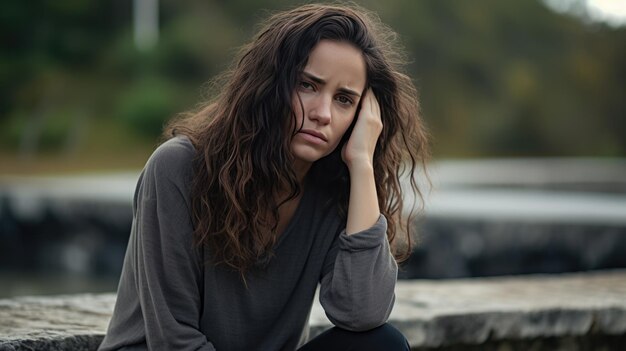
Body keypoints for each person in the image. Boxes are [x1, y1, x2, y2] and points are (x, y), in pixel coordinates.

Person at [99, 3, 429, 350]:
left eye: (344, 100)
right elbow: (173, 339)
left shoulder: (335, 190)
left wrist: (361, 162)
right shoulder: (179, 168)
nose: (323, 114)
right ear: (271, 84)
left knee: (382, 344)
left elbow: (362, 313)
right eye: (307, 85)